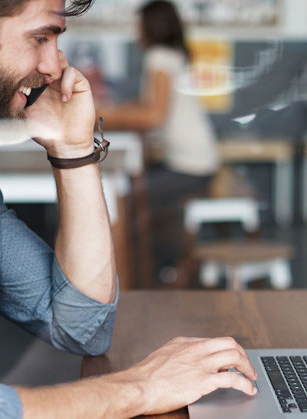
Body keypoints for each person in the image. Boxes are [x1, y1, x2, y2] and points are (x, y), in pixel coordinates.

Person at [0, 0, 257, 417]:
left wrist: (73, 150)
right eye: (40, 38)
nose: (55, 67)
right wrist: (138, 387)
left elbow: (83, 326)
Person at [97, 0, 220, 283]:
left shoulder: (159, 57)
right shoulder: (171, 55)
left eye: (138, 25)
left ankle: (129, 279)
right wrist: (113, 111)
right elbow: (148, 105)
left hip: (191, 164)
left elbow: (153, 115)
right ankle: (158, 268)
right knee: (135, 194)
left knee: (126, 200)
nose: (135, 32)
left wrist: (99, 117)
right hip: (197, 158)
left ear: (152, 27)